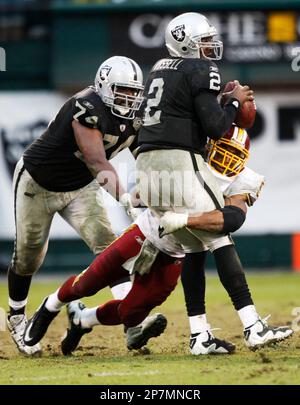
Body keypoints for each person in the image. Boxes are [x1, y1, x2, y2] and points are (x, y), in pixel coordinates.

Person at [23, 127, 292, 355]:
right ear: (208, 145)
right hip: (146, 233)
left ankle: (83, 320)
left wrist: (186, 220)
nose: (225, 159)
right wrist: (147, 194)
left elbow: (232, 219)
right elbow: (142, 194)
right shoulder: (189, 160)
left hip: (176, 253)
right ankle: (51, 305)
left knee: (131, 314)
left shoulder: (243, 179)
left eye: (234, 155)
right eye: (222, 150)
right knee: (89, 282)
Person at [6, 55, 165, 355]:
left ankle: (132, 322)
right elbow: (96, 160)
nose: (129, 98)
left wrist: (155, 183)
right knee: (29, 257)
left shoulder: (135, 114)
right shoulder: (86, 107)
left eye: (133, 91)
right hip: (38, 183)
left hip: (80, 186)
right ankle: (16, 316)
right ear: (104, 86)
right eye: (122, 90)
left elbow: (144, 152)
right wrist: (127, 198)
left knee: (108, 247)